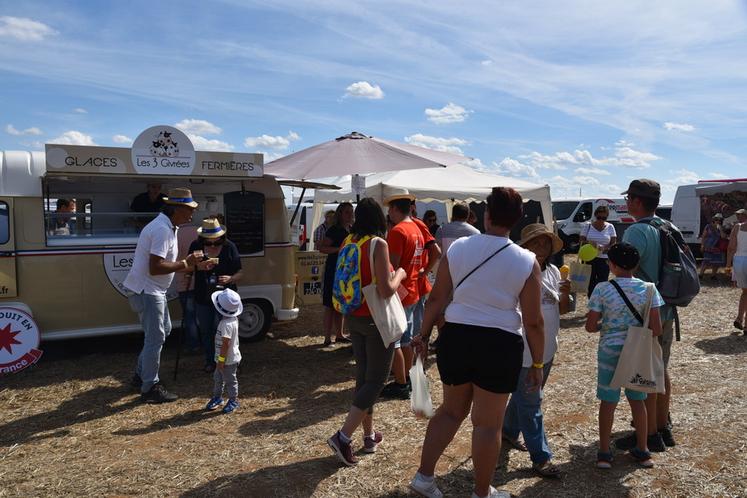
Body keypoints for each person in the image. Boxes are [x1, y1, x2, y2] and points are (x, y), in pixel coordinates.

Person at [409, 187, 544, 498]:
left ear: (486, 214)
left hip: (456, 336)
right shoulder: (527, 260)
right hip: (500, 342)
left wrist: (424, 335)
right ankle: (481, 493)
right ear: (518, 219)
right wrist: (537, 362)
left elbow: (437, 298)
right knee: (487, 425)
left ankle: (424, 478)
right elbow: (534, 321)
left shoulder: (457, 249)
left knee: (450, 412)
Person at [327, 198, 407, 466]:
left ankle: (369, 435)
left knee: (364, 378)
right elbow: (386, 289)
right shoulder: (378, 244)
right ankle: (343, 436)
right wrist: (402, 275)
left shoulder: (348, 240)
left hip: (354, 316)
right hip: (376, 318)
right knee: (376, 381)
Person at [123, 187, 208, 403]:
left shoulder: (168, 226)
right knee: (156, 337)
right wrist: (185, 264)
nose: (192, 213)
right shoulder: (162, 229)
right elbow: (156, 267)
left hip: (149, 290)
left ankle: (141, 375)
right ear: (176, 209)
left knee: (163, 331)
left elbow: (162, 264)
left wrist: (187, 264)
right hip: (148, 290)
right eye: (189, 209)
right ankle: (149, 387)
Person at [618, 179, 683, 451]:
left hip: (643, 311)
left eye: (628, 198)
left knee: (643, 373)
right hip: (667, 308)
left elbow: (625, 271)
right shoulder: (669, 227)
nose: (626, 203)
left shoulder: (636, 232)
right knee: (660, 368)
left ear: (636, 201)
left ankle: (650, 433)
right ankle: (663, 426)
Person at [585, 243, 664, 469]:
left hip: (609, 349)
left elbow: (591, 326)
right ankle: (643, 450)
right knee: (638, 401)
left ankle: (603, 453)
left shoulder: (602, 288)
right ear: (637, 264)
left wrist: (608, 326)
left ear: (611, 264)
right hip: (636, 352)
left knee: (608, 402)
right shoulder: (650, 289)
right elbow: (656, 329)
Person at [502, 223, 572, 479]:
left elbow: (563, 311)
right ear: (524, 246)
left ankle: (508, 430)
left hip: (546, 348)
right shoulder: (516, 273)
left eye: (545, 243)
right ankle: (541, 458)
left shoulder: (553, 271)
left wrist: (565, 295)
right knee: (532, 403)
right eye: (535, 242)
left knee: (525, 396)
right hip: (524, 350)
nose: (541, 247)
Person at [381, 193, 425, 400]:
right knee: (405, 340)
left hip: (401, 291)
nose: (389, 213)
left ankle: (401, 382)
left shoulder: (398, 231)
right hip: (413, 289)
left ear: (396, 209)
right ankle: (405, 378)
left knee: (396, 341)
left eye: (390, 209)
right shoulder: (416, 228)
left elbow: (392, 265)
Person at [189, 217, 243, 373]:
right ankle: (211, 361)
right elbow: (187, 267)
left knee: (225, 331)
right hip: (203, 295)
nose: (212, 244)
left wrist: (230, 278)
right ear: (202, 238)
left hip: (226, 298)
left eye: (216, 241)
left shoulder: (229, 247)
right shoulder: (196, 246)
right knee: (206, 330)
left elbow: (241, 272)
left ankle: (229, 362)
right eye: (208, 242)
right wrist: (200, 267)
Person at [319, 202, 354, 346]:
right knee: (329, 304)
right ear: (340, 214)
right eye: (347, 212)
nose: (350, 215)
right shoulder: (334, 230)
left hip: (346, 271)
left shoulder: (351, 229)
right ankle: (327, 338)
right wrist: (339, 250)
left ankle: (339, 334)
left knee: (341, 303)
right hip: (333, 270)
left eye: (351, 212)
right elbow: (321, 247)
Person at [205, 288, 244, 414]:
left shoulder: (225, 324)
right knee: (218, 378)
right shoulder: (233, 320)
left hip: (227, 360)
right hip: (222, 359)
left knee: (230, 380)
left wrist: (221, 361)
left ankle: (234, 400)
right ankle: (218, 397)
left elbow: (226, 344)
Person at [411, 201, 442, 351]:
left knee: (417, 323)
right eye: (430, 220)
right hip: (415, 283)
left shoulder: (418, 225)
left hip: (418, 283)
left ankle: (417, 357)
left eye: (433, 220)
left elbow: (436, 252)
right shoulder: (417, 226)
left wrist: (424, 271)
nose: (432, 223)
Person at [579, 204, 617, 297]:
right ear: (595, 216)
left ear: (607, 217)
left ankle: (601, 301)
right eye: (599, 217)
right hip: (589, 259)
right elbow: (581, 241)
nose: (601, 220)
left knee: (603, 282)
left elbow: (613, 243)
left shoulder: (610, 227)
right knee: (590, 282)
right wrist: (590, 242)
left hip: (604, 259)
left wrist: (605, 248)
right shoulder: (588, 226)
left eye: (603, 218)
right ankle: (592, 303)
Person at [176, 223, 200, 353]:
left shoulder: (175, 234)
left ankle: (193, 345)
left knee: (189, 316)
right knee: (203, 315)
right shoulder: (198, 231)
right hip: (202, 281)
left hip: (184, 281)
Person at [727, 208, 747, 332]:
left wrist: (728, 266)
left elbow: (731, 248)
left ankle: (740, 318)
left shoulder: (737, 227)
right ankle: (745, 325)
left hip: (739, 260)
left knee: (745, 292)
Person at [699, 214, 726, 279]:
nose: (718, 221)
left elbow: (723, 237)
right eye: (716, 219)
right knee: (706, 261)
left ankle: (713, 275)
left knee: (716, 262)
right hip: (708, 246)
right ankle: (701, 274)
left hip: (717, 247)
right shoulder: (708, 226)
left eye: (720, 220)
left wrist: (720, 229)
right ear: (714, 219)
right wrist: (702, 245)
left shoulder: (721, 227)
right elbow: (703, 236)